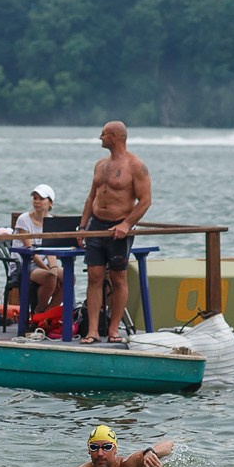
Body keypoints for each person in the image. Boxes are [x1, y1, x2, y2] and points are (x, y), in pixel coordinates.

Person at [78, 121, 153, 344]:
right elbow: (91, 197)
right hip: (96, 226)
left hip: (118, 228)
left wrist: (126, 224)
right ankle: (92, 330)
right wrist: (82, 227)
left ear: (115, 137)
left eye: (104, 134)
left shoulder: (135, 165)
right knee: (94, 276)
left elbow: (146, 201)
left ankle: (113, 330)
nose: (100, 137)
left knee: (118, 277)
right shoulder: (100, 164)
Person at [64, 424, 173, 467]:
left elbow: (169, 444)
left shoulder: (130, 465)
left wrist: (150, 451)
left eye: (107, 447)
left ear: (115, 449)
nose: (100, 453)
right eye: (94, 447)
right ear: (88, 450)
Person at [12, 184, 63, 312]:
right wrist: (51, 271)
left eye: (41, 199)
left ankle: (47, 314)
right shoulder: (23, 219)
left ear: (50, 203)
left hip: (43, 264)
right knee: (50, 277)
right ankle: (40, 311)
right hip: (24, 264)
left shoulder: (51, 221)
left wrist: (54, 268)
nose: (37, 201)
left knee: (68, 276)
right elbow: (30, 251)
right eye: (35, 198)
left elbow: (51, 251)